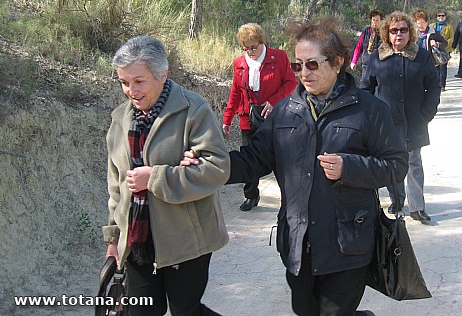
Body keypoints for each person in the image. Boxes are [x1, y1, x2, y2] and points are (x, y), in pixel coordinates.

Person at [183, 19, 408, 316]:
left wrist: (349, 167)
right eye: (297, 65)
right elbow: (254, 160)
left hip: (348, 245)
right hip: (298, 243)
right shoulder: (286, 110)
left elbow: (396, 165)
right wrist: (208, 164)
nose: (304, 73)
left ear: (338, 62)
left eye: (312, 64)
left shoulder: (370, 110)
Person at [104, 36, 229, 316]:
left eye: (139, 81)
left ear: (163, 75)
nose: (130, 91)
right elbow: (116, 186)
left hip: (186, 242)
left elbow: (218, 169)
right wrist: (114, 239)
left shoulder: (192, 110)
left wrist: (156, 179)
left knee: (186, 310)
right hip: (137, 239)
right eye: (124, 82)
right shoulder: (119, 119)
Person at [361, 11, 441, 224]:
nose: (399, 34)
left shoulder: (422, 56)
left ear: (410, 32)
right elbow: (366, 89)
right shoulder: (376, 57)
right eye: (394, 30)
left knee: (414, 162)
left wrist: (427, 113)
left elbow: (433, 86)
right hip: (386, 123)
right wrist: (371, 117)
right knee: (391, 164)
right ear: (387, 33)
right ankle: (397, 201)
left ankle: (417, 208)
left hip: (414, 120)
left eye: (403, 30)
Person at [222, 23, 297, 211]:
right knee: (248, 158)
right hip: (248, 118)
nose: (250, 51)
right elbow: (235, 93)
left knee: (281, 159)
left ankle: (289, 198)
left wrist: (273, 101)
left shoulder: (278, 57)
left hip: (274, 119)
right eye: (246, 48)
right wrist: (227, 119)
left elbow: (291, 83)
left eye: (253, 47)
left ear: (262, 42)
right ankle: (251, 196)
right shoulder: (239, 63)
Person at [429, 10, 454, 90]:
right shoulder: (432, 26)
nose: (441, 17)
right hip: (433, 49)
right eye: (439, 16)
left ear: (445, 17)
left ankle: (442, 84)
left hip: (444, 49)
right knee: (435, 67)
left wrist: (444, 46)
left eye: (442, 16)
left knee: (443, 67)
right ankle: (436, 83)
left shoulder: (449, 27)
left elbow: (451, 38)